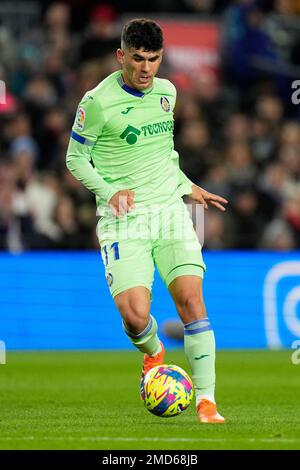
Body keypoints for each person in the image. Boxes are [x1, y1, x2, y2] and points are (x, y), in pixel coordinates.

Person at [66, 19, 227, 423]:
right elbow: (74, 159)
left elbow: (162, 156)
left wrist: (188, 185)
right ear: (122, 56)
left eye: (153, 60)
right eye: (137, 59)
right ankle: (154, 351)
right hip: (124, 220)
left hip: (170, 212)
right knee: (135, 316)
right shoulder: (97, 102)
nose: (145, 69)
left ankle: (206, 402)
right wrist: (109, 192)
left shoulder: (168, 94)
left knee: (192, 301)